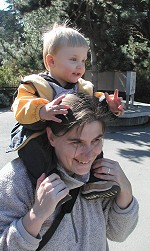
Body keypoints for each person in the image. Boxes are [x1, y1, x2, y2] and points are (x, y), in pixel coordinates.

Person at [0, 93, 138, 251]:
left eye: (96, 140)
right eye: (76, 142)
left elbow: (118, 234)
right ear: (51, 137)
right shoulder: (16, 181)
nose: (88, 154)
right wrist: (36, 216)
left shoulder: (98, 176)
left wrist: (125, 190)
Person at [7, 23, 124, 198]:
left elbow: (94, 101)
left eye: (84, 60)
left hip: (73, 133)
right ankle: (49, 187)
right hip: (39, 131)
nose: (80, 66)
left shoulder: (82, 87)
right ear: (51, 61)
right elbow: (20, 105)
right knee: (35, 153)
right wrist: (41, 110)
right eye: (74, 59)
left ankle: (94, 181)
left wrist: (109, 105)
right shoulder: (36, 84)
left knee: (92, 144)